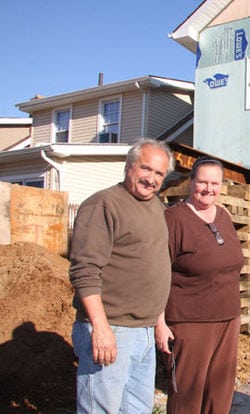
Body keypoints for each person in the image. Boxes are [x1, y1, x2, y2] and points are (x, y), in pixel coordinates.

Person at [69, 138, 175, 413]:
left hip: (144, 332)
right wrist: (100, 328)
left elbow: (155, 266)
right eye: (146, 169)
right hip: (111, 329)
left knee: (137, 409)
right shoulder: (104, 204)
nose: (151, 179)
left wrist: (159, 321)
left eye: (159, 174)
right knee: (101, 409)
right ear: (128, 166)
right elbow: (85, 270)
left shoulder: (157, 208)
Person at [155, 157, 244, 414]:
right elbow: (159, 273)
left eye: (214, 183)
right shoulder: (173, 218)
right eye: (202, 182)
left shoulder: (224, 214)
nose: (208, 189)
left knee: (221, 390)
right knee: (188, 392)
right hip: (190, 321)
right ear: (191, 182)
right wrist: (160, 323)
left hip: (228, 317)